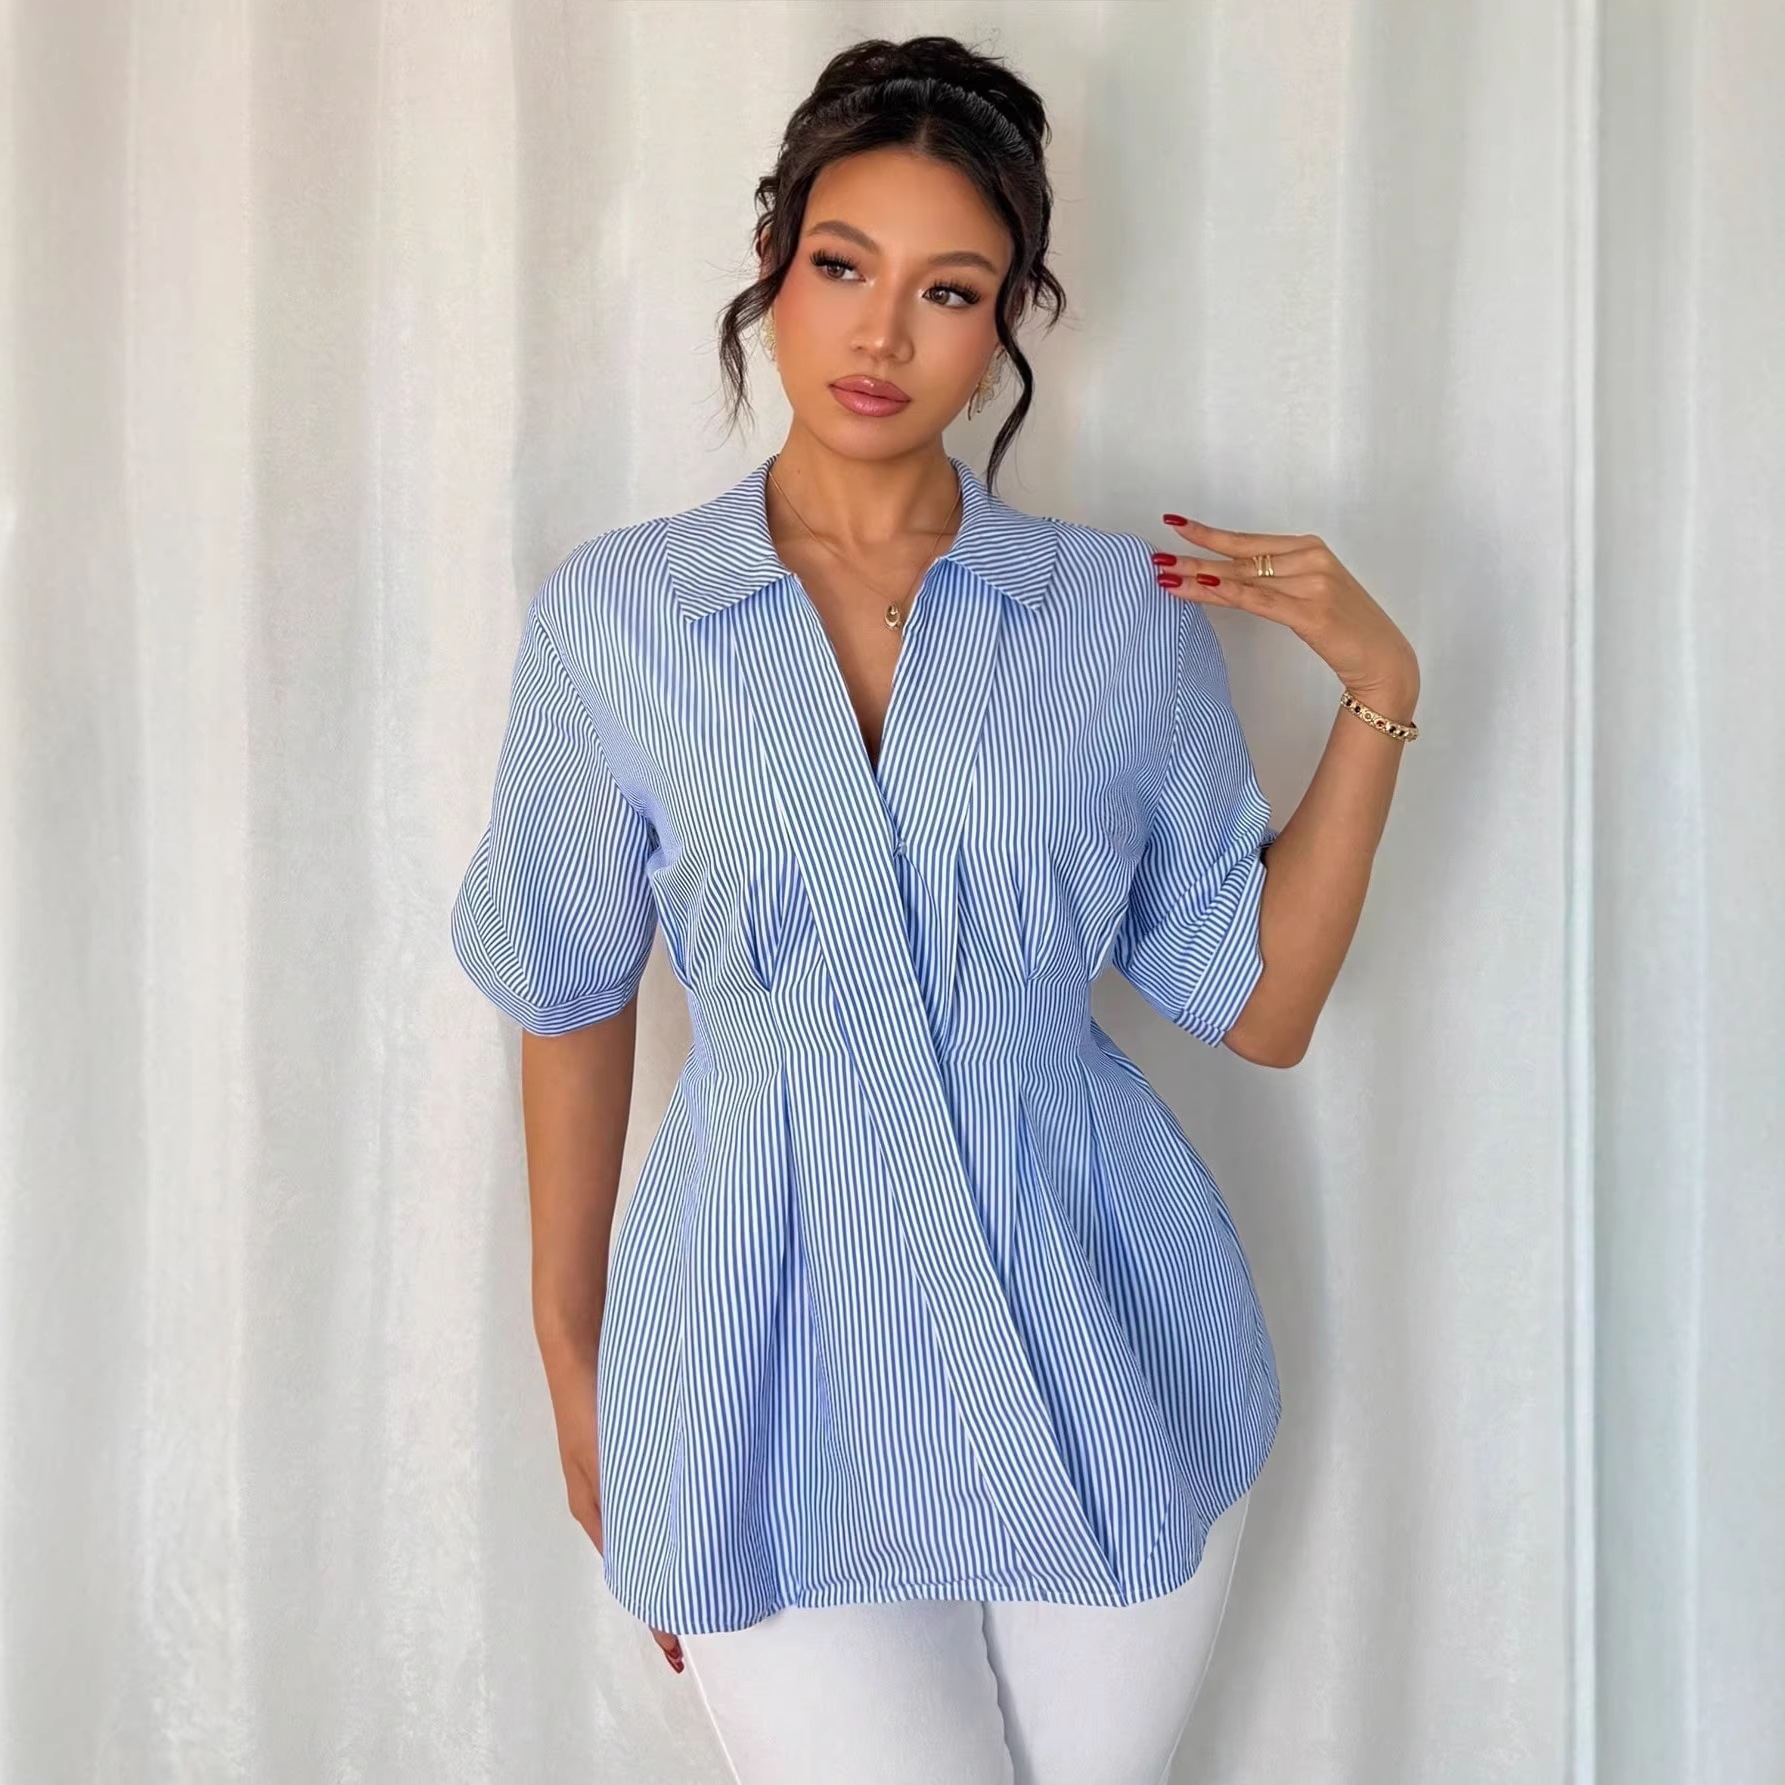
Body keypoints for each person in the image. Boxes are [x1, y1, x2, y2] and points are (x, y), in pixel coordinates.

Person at [450, 32, 1420, 1785]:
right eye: (843, 266)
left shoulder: (1113, 618)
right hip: (752, 1368)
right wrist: (571, 1355)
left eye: (948, 290)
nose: (882, 334)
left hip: (1098, 1343)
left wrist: (1378, 692)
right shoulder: (621, 620)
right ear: (772, 264)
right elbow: (566, 987)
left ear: (1009, 319)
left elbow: (1257, 1002)